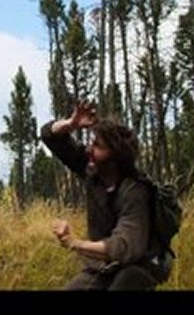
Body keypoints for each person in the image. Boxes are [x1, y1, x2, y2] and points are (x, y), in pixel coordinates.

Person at [41, 100, 156, 290]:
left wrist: (74, 243)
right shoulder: (92, 170)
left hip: (137, 267)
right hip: (102, 267)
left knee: (129, 279)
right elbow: (49, 136)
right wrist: (71, 124)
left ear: (116, 156)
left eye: (97, 145)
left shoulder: (134, 192)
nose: (89, 149)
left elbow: (123, 247)